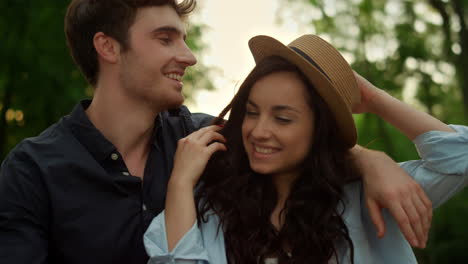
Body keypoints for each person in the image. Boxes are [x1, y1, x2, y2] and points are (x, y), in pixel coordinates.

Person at [0, 1, 431, 263]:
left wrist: (370, 159)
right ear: (108, 47)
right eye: (166, 39)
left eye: (184, 39)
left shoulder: (210, 141)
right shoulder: (32, 171)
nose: (188, 56)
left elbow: (294, 147)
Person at [143, 34, 468, 263]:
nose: (259, 131)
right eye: (252, 112)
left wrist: (373, 98)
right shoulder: (210, 209)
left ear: (319, 130)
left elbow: (458, 157)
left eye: (283, 118)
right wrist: (180, 183)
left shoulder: (368, 200)